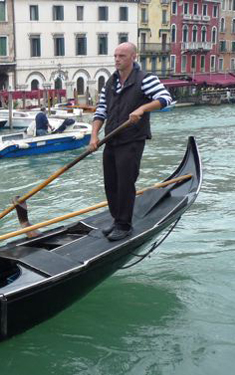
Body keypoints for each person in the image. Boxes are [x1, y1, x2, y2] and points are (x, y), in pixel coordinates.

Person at [90, 42, 172, 241]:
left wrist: (143, 108)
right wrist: (94, 136)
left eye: (122, 56)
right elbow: (101, 111)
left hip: (132, 139)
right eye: (116, 55)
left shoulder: (145, 80)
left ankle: (124, 225)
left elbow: (166, 98)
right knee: (111, 183)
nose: (117, 59)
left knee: (126, 182)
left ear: (133, 57)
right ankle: (117, 219)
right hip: (111, 138)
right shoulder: (110, 83)